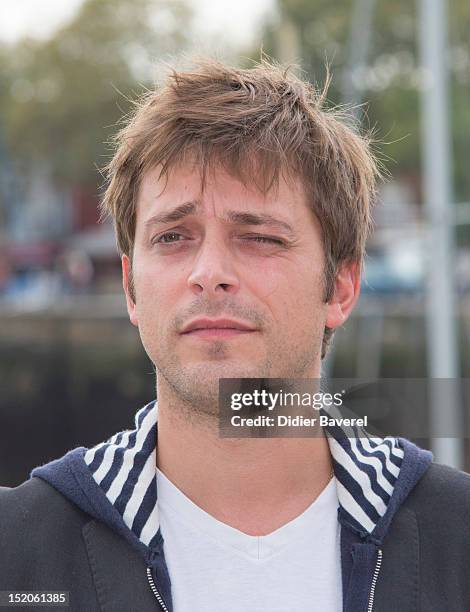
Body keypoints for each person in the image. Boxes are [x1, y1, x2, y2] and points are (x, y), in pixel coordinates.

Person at [1, 57, 469, 612]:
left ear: (340, 286)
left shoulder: (456, 540)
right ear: (131, 287)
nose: (209, 272)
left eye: (260, 238)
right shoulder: (17, 552)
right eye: (174, 237)